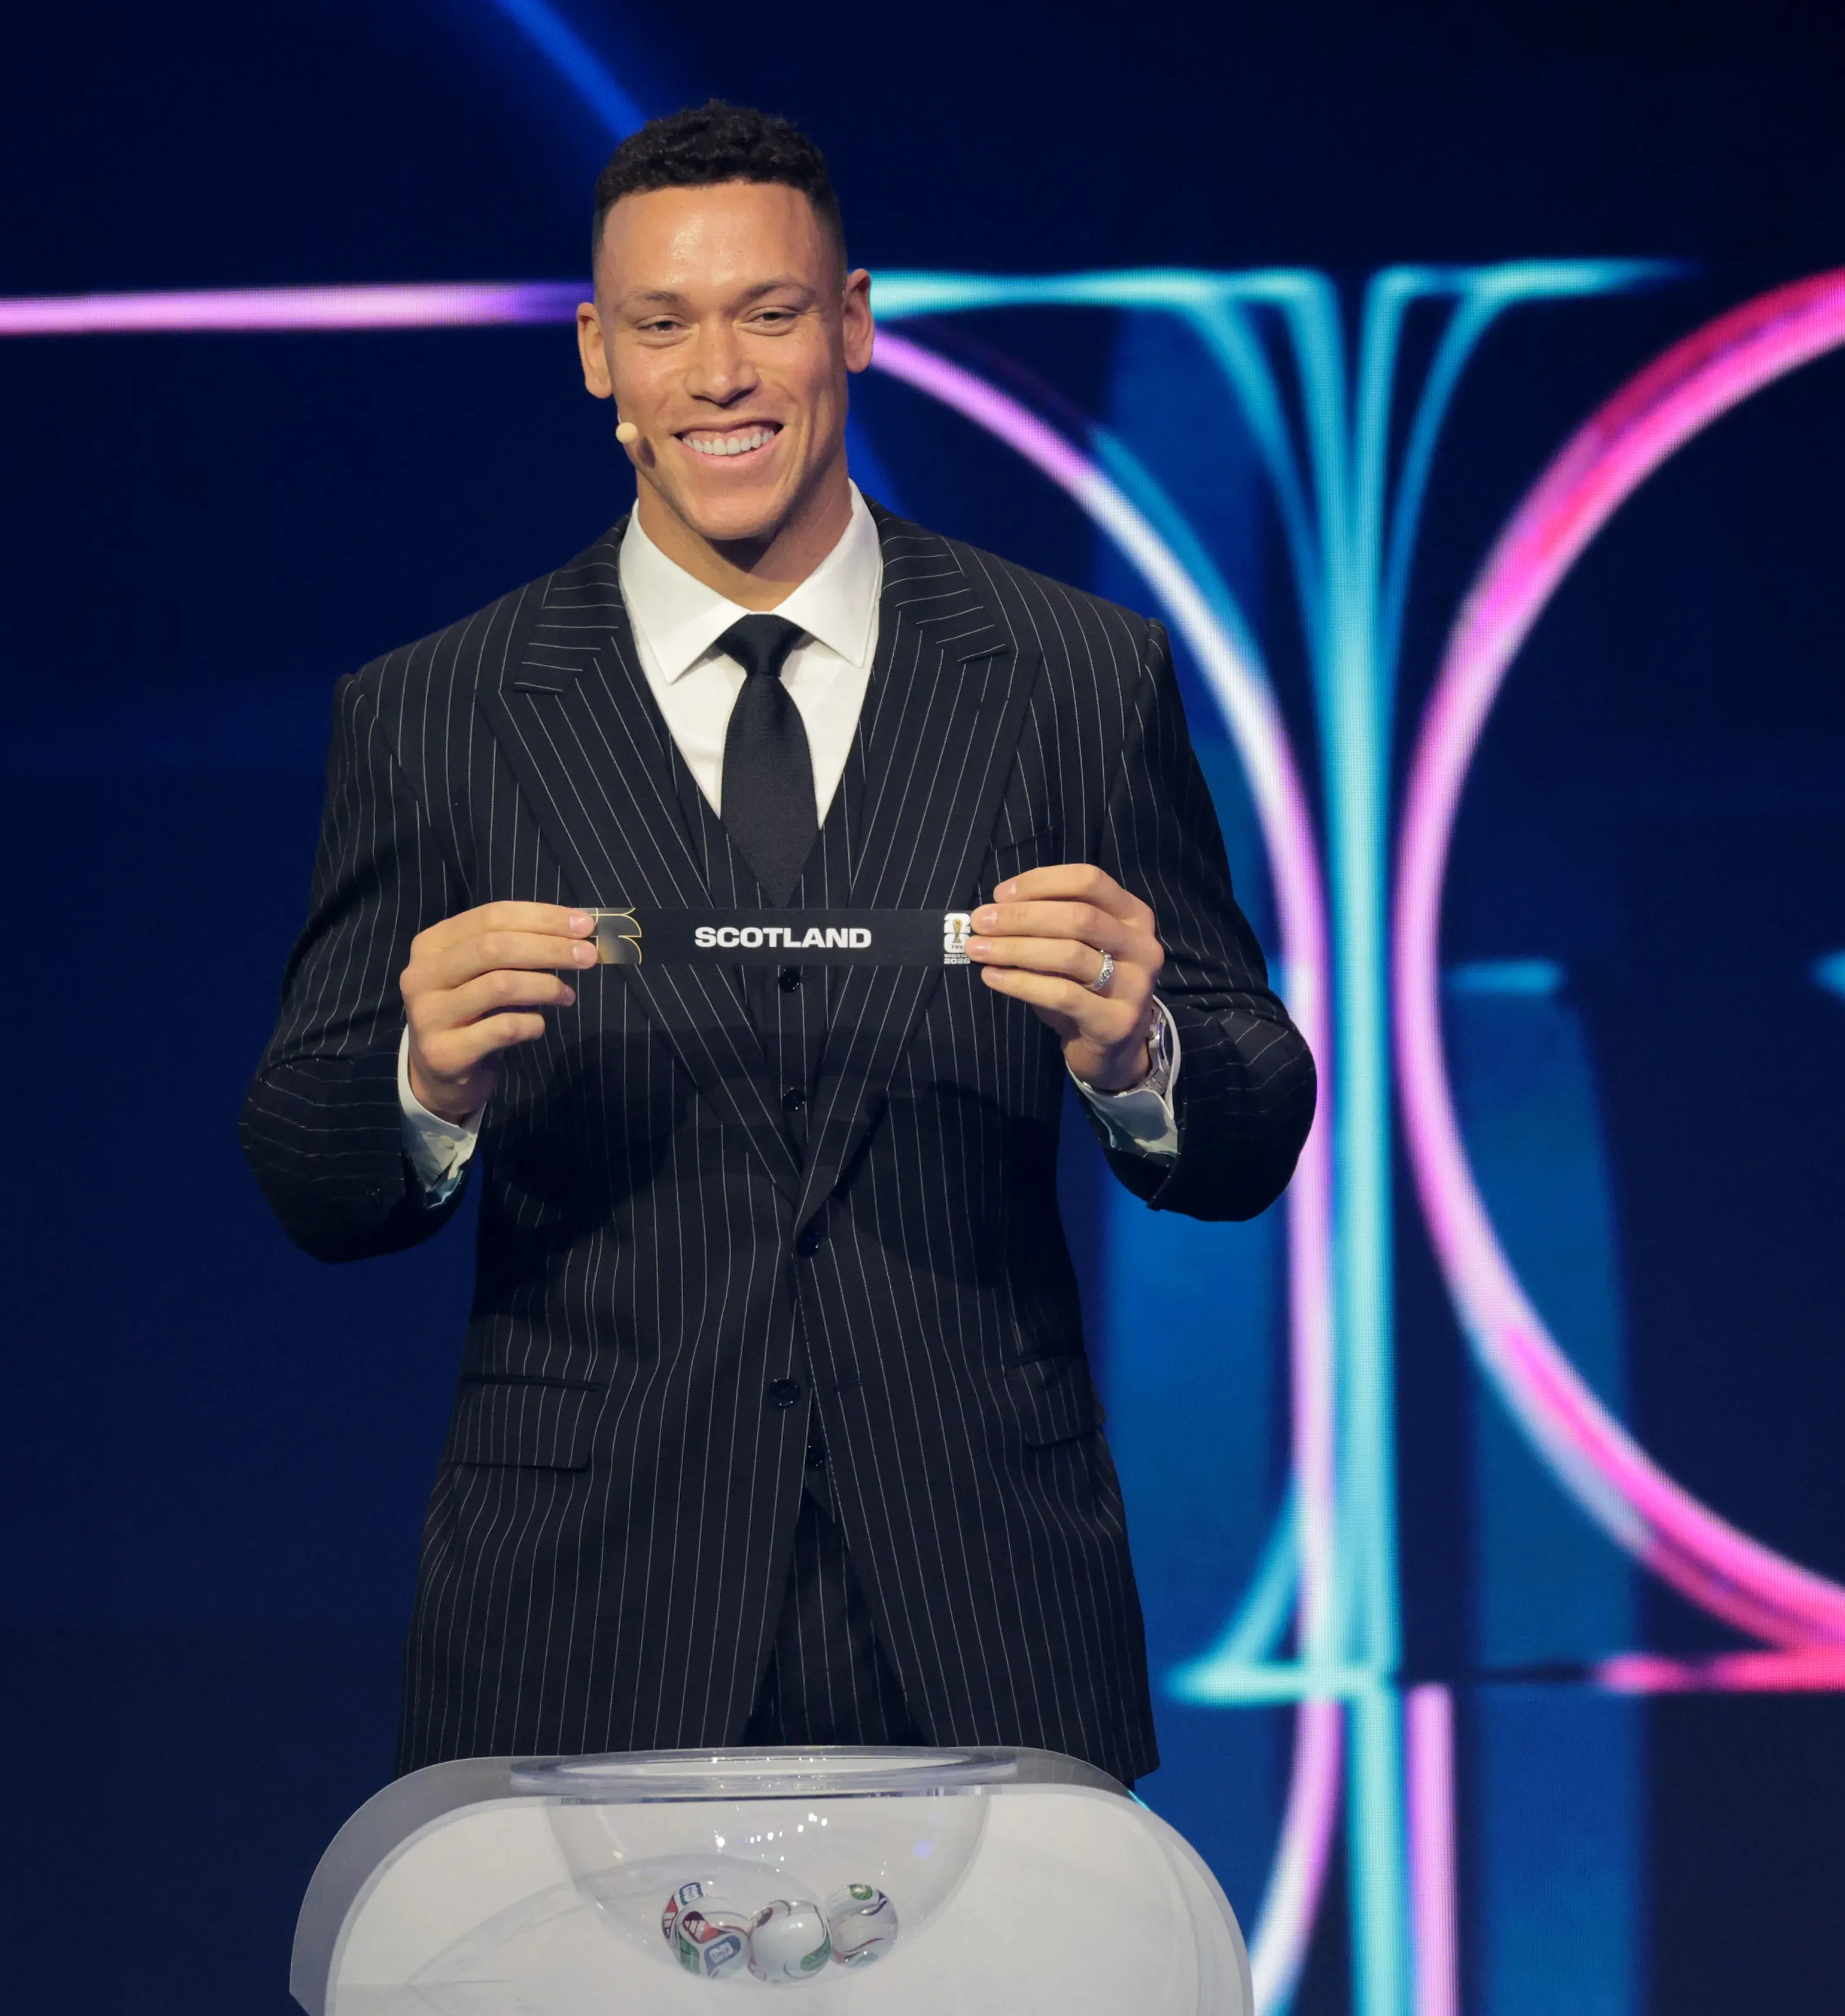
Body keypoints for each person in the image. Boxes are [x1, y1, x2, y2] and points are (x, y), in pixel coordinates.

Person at [240, 102, 1311, 1789]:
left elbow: (1250, 1122)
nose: (719, 371)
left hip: (983, 1605)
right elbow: (309, 1172)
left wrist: (1147, 1052)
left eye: (770, 312)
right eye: (663, 324)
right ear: (600, 356)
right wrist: (413, 1078)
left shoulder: (1071, 677)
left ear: (856, 323)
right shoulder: (437, 712)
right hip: (582, 1621)